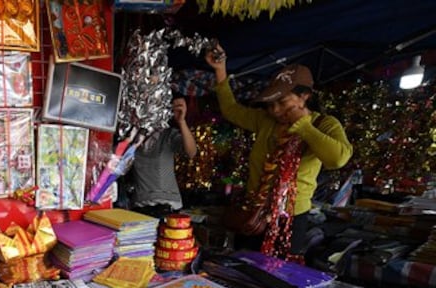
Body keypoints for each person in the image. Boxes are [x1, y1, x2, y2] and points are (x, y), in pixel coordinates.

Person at [205, 44, 353, 259]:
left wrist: (304, 126)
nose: (275, 110)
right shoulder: (265, 121)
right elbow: (231, 110)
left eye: (282, 102)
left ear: (305, 97)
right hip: (254, 214)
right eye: (270, 104)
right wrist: (220, 70)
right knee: (244, 266)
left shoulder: (324, 124)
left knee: (277, 274)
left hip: (290, 219)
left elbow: (338, 159)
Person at [128, 96, 197, 218]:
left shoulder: (167, 135)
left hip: (168, 207)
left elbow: (191, 152)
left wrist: (182, 122)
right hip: (140, 207)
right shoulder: (132, 136)